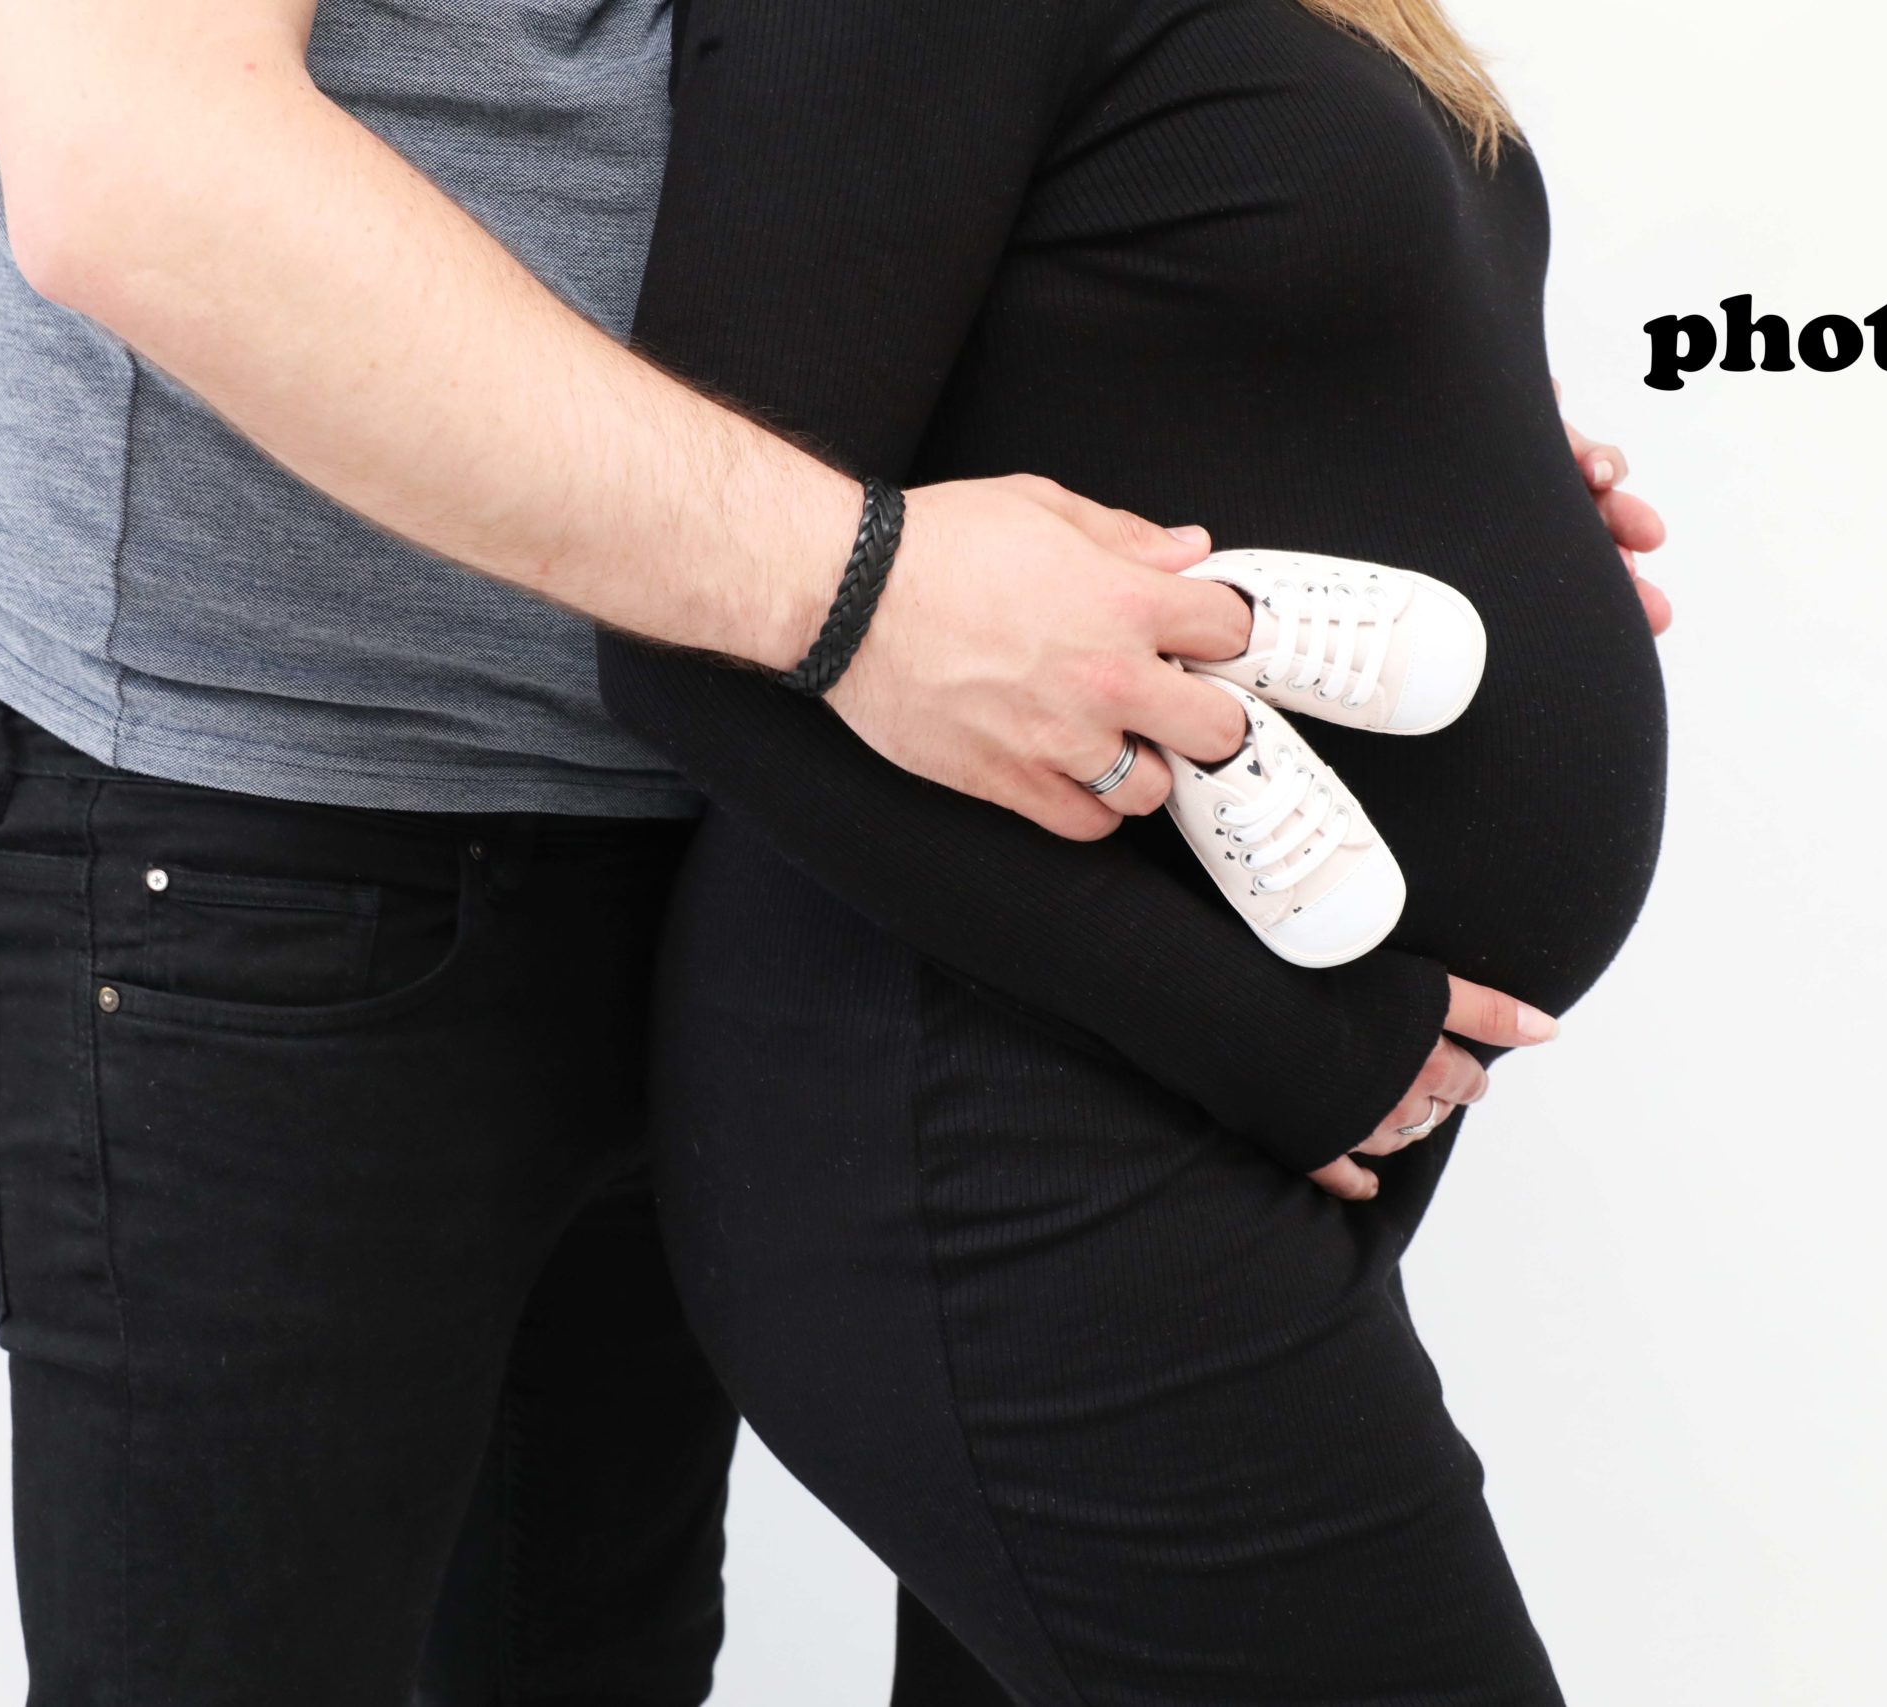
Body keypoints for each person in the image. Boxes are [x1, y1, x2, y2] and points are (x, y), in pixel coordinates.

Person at [0, 1, 1280, 1702]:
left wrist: (1418, 452)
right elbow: (139, 162)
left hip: (751, 837)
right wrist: (868, 595)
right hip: (271, 848)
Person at [596, 0, 1673, 1698]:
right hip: (1000, 1098)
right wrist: (1297, 1043)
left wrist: (1472, 455)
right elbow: (692, 626)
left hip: (1162, 1092)